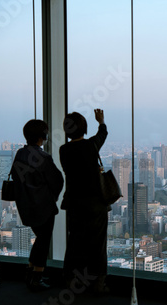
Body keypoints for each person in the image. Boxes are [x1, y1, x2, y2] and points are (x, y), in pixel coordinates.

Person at [59, 109, 109, 293]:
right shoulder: (91, 146)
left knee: (75, 243)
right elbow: (102, 134)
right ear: (84, 128)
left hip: (74, 204)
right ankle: (98, 284)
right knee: (98, 244)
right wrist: (101, 121)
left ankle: (72, 281)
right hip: (95, 204)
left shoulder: (64, 150)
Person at [12, 119, 64, 291]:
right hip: (43, 206)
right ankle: (36, 277)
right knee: (44, 240)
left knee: (40, 239)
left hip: (25, 205)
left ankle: (31, 271)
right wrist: (51, 197)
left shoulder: (20, 153)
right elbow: (57, 181)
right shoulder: (43, 158)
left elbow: (16, 177)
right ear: (43, 136)